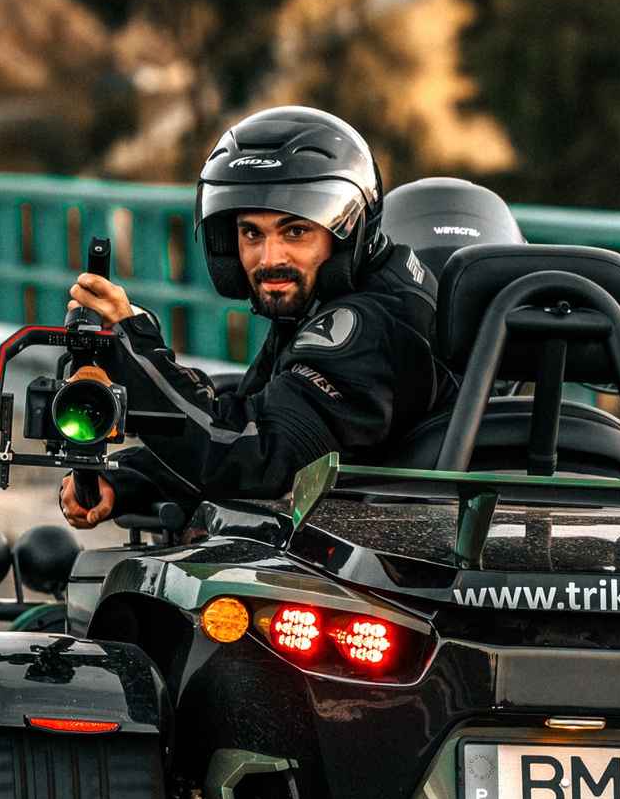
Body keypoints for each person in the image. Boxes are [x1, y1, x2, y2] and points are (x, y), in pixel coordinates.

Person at [55, 107, 451, 527]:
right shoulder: (330, 297)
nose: (269, 258)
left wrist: (132, 345)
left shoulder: (363, 326)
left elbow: (255, 460)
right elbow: (249, 414)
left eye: (295, 231)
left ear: (346, 234)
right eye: (251, 233)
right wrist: (128, 479)